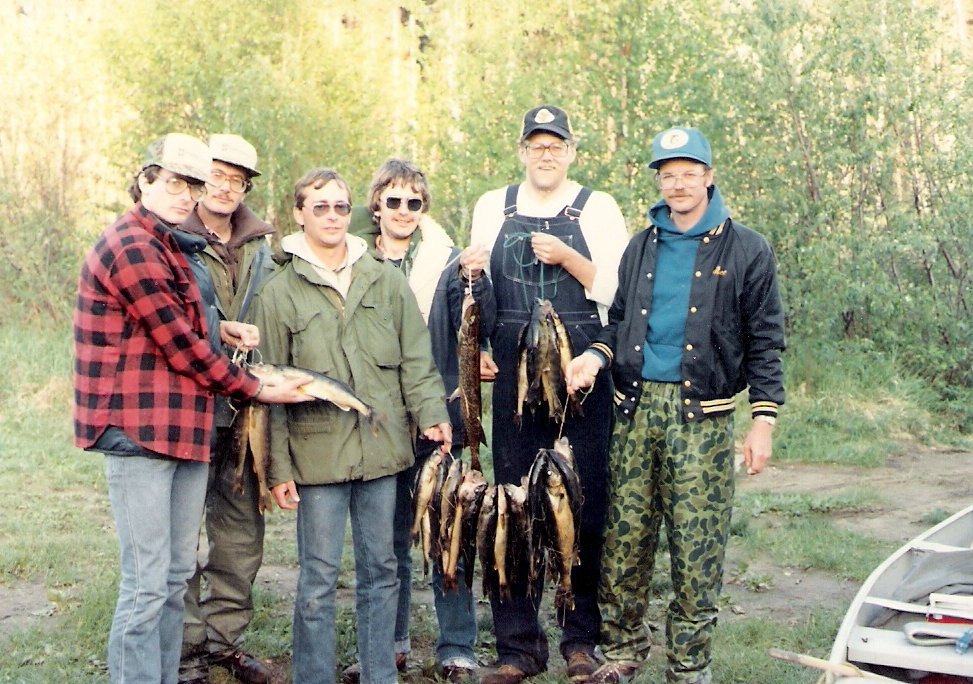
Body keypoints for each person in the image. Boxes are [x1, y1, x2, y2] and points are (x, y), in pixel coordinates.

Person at [73, 133, 311, 684]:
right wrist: (257, 388)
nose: (188, 195)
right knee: (146, 583)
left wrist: (220, 328)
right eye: (176, 183)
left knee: (175, 572)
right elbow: (179, 345)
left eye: (195, 186)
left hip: (184, 428)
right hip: (138, 433)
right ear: (146, 180)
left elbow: (184, 320)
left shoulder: (172, 244)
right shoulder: (132, 245)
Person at [565, 126, 786, 684]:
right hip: (635, 411)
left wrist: (762, 421)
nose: (679, 184)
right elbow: (619, 320)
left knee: (696, 549)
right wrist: (593, 356)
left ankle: (689, 666)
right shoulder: (642, 245)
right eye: (669, 175)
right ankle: (622, 651)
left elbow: (766, 340)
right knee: (624, 542)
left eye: (689, 173)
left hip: (703, 418)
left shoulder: (748, 248)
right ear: (659, 182)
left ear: (709, 177)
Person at [249, 167, 453, 684]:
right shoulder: (279, 291)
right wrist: (278, 468)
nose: (333, 216)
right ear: (299, 214)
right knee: (318, 580)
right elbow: (269, 389)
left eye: (341, 206)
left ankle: (380, 673)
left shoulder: (384, 278)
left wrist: (432, 413)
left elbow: (416, 359)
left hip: (382, 451)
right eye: (320, 207)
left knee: (382, 570)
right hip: (316, 458)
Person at [469, 105, 630, 684]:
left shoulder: (599, 207)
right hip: (514, 375)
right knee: (512, 506)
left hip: (580, 373)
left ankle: (580, 640)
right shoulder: (493, 205)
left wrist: (569, 259)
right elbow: (480, 290)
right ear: (522, 151)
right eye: (536, 145)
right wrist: (477, 335)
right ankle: (518, 648)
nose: (546, 154)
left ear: (571, 152)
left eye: (555, 145)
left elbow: (621, 291)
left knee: (581, 504)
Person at [341, 158, 495, 683]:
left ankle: (458, 645)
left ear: (423, 208)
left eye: (414, 202)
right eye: (394, 200)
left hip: (439, 421)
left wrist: (476, 279)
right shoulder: (353, 260)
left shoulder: (446, 262)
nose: (404, 210)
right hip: (379, 423)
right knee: (386, 543)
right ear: (376, 206)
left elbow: (478, 324)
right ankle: (390, 644)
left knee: (448, 532)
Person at [179, 134, 277, 684]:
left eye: (237, 180)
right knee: (179, 535)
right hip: (187, 407)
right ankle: (186, 649)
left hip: (245, 411)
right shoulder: (172, 233)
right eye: (217, 175)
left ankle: (223, 643)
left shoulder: (264, 245)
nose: (225, 187)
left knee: (241, 533)